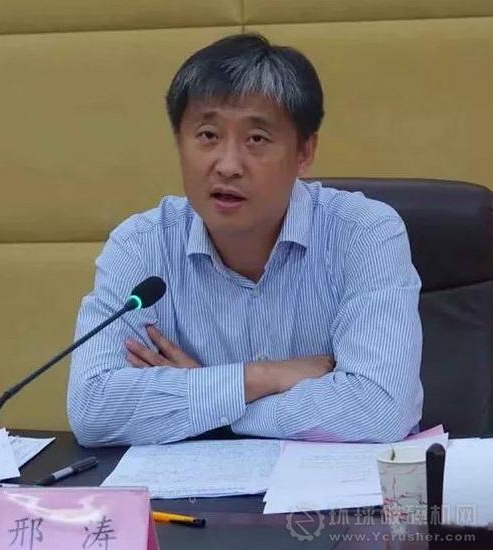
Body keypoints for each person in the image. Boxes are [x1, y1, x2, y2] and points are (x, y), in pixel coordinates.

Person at [67, 33, 423, 447]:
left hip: (338, 488)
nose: (228, 165)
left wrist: (210, 401)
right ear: (179, 143)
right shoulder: (141, 246)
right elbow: (93, 408)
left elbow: (379, 409)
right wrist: (259, 378)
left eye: (256, 139)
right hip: (195, 488)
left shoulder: (364, 233)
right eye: (208, 135)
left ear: (305, 152)